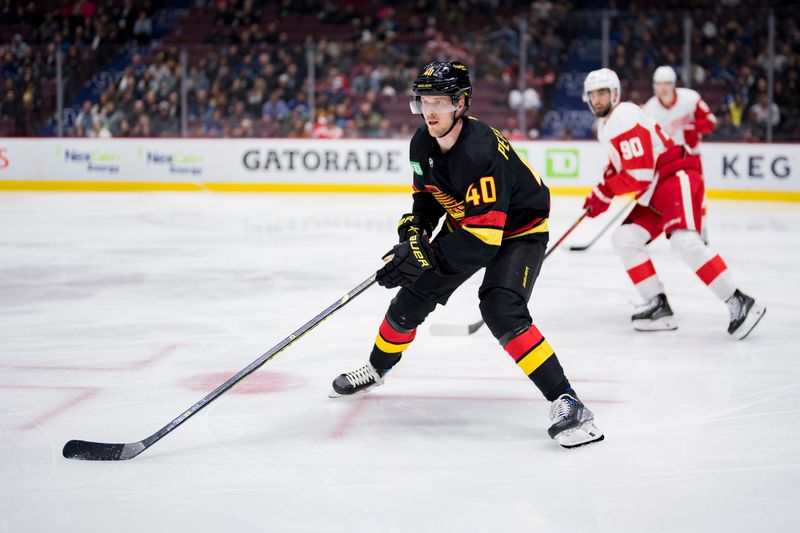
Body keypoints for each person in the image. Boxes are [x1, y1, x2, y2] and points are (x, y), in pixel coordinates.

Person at [329, 61, 604, 449]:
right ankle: (377, 368)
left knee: (500, 307)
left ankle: (569, 402)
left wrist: (423, 257)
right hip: (472, 223)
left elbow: (483, 242)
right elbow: (427, 198)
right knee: (410, 299)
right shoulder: (421, 143)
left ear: (461, 103)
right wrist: (416, 232)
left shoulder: (481, 151)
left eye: (440, 101)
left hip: (518, 232)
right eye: (424, 101)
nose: (430, 111)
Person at [581, 68, 765, 339]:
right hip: (654, 191)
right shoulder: (606, 126)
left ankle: (739, 301)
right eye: (592, 94)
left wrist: (606, 193)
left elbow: (638, 174)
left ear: (615, 93)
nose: (597, 99)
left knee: (684, 242)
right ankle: (658, 305)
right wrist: (602, 189)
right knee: (624, 238)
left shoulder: (624, 115)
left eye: (602, 93)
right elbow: (620, 167)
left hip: (674, 177)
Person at [642, 66, 716, 241]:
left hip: (691, 157)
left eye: (667, 83)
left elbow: (710, 121)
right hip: (666, 159)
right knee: (660, 195)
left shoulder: (691, 99)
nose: (663, 88)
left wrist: (695, 128)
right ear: (654, 86)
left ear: (674, 84)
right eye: (659, 84)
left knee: (697, 194)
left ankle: (701, 228)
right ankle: (649, 231)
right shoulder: (649, 109)